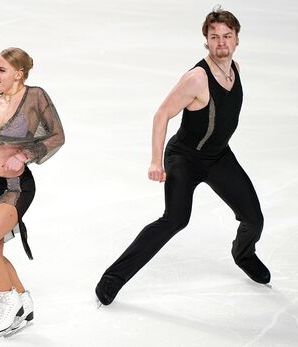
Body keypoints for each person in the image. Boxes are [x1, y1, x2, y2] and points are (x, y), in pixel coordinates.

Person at [95, 7, 271, 306]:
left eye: (227, 36)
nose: (221, 43)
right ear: (206, 39)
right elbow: (162, 113)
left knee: (254, 219)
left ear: (237, 39)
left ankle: (243, 254)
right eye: (214, 37)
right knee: (174, 220)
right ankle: (113, 278)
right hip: (185, 159)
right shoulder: (196, 78)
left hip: (218, 158)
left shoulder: (235, 70)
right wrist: (155, 160)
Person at [0, 47, 65, 338]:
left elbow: (57, 135)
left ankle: (7, 299)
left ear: (19, 74)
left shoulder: (36, 97)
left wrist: (24, 155)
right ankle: (24, 300)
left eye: (2, 70)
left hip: (15, 187)